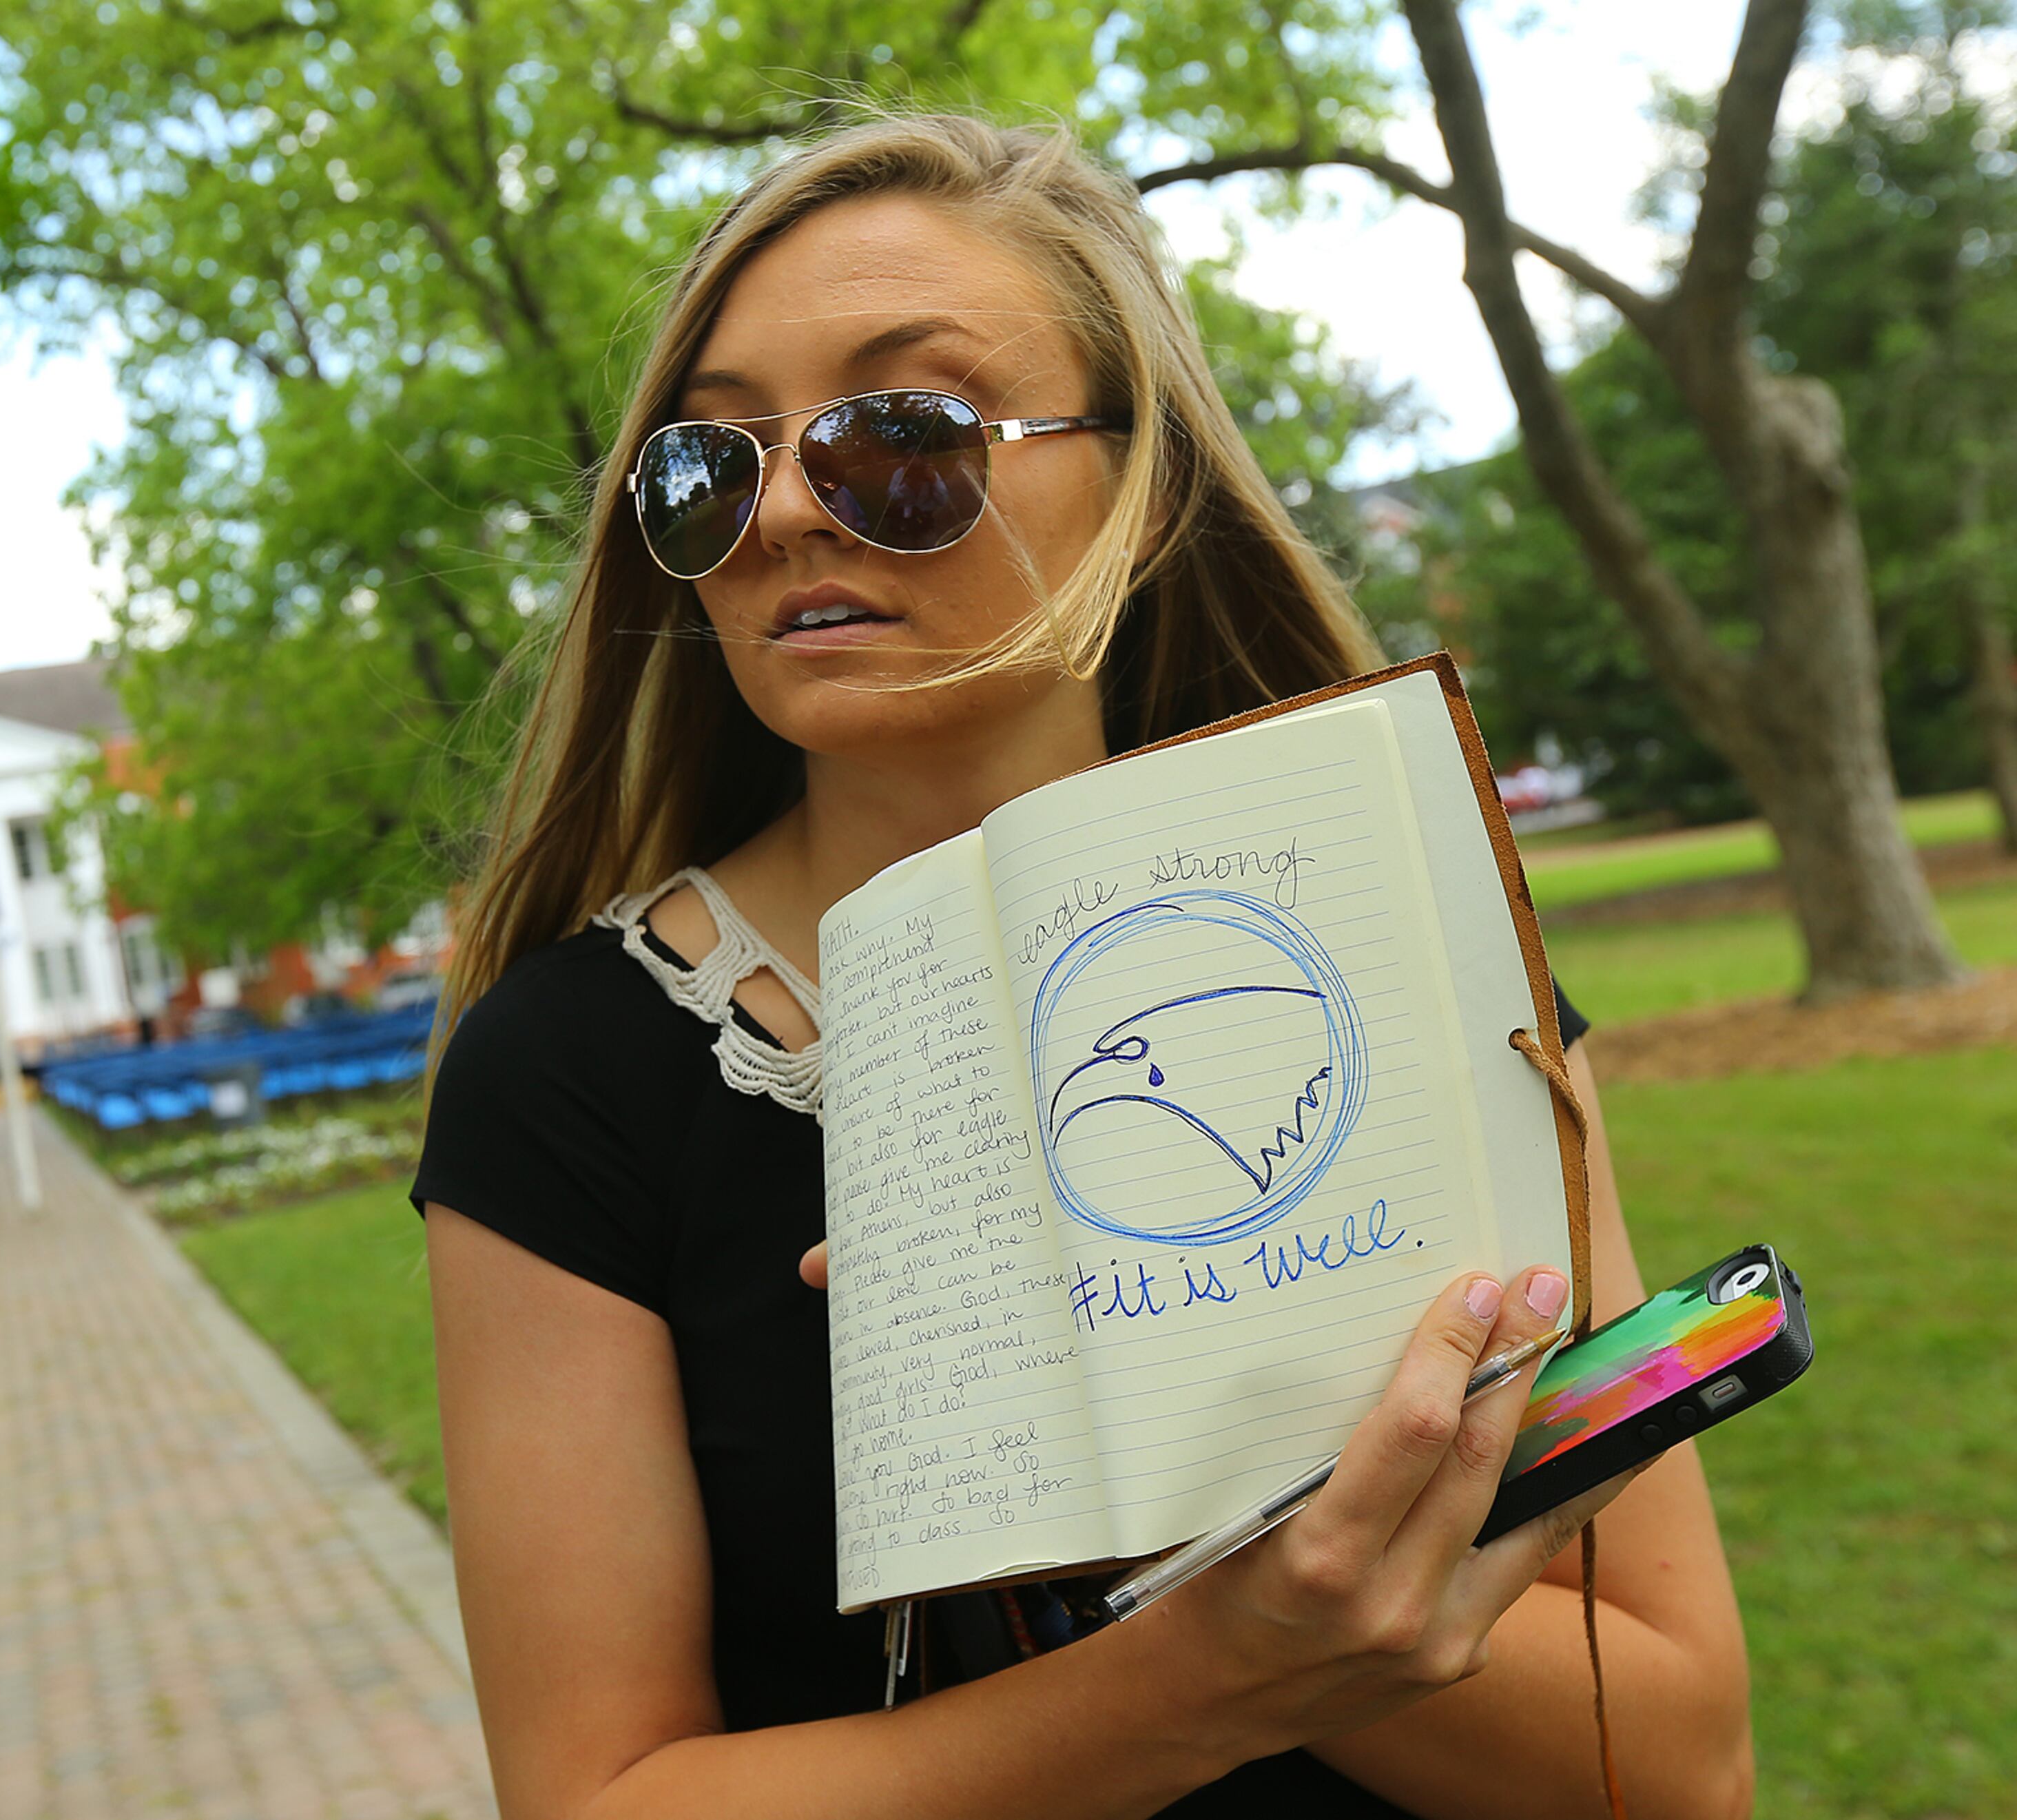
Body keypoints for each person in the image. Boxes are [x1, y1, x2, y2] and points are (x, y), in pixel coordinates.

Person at [414, 115, 1754, 1819]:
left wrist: (1225, 1527)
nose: (790, 513)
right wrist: (1204, 1673)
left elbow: (1685, 1761)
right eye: (709, 465)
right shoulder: (572, 1076)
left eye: (904, 436)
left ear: (1141, 482)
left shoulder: (1427, 937)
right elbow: (595, 1794)